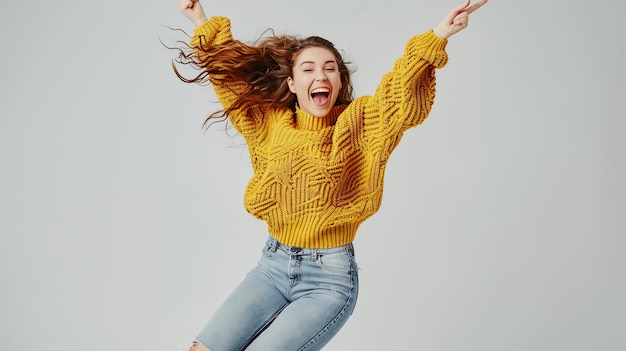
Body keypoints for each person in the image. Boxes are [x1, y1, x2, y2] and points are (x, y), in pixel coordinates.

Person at [173, 0, 488, 350]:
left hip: (329, 280)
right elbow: (231, 82)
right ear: (292, 83)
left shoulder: (361, 124)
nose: (320, 76)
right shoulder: (269, 123)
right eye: (308, 69)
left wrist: (438, 36)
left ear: (339, 80)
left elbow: (397, 95)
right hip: (272, 266)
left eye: (330, 68)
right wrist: (200, 20)